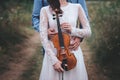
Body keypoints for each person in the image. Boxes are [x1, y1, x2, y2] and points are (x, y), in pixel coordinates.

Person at [39, 0, 91, 80]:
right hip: (53, 53)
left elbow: (88, 32)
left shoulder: (77, 7)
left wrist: (73, 30)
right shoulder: (45, 10)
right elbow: (43, 37)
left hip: (72, 52)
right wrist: (54, 61)